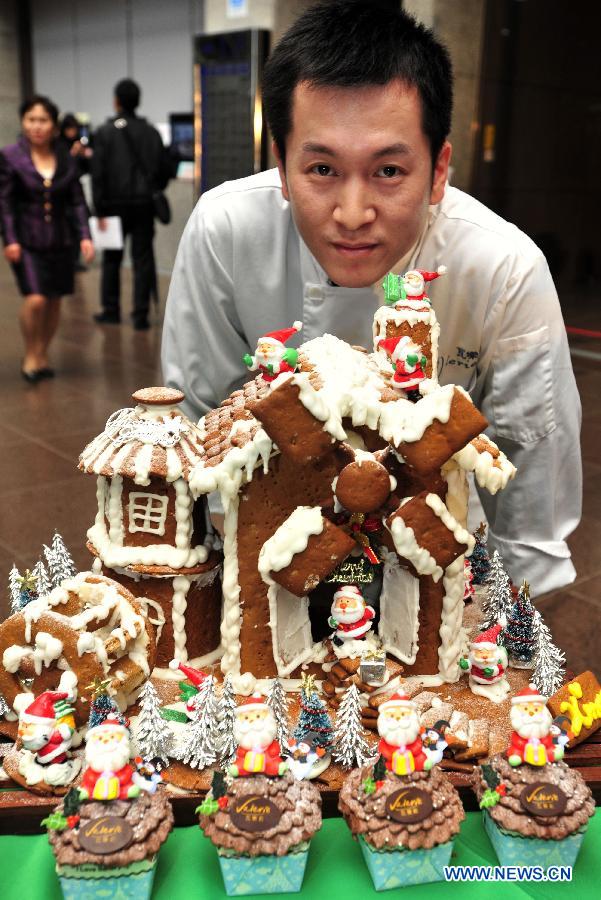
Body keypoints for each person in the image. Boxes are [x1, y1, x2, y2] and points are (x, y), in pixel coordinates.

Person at [161, 0, 581, 597]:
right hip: (270, 559)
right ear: (280, 164)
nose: (352, 215)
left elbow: (532, 485)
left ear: (438, 171)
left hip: (440, 565)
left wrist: (506, 656)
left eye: (388, 172)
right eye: (322, 169)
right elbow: (197, 428)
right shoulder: (227, 231)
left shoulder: (502, 269)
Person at [0, 95, 94, 381]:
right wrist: (11, 240)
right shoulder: (10, 156)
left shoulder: (65, 157)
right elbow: (4, 202)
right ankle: (31, 352)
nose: (36, 126)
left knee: (54, 300)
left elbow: (77, 200)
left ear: (52, 125)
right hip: (27, 241)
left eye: (43, 120)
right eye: (31, 120)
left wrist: (85, 236)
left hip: (61, 240)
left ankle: (43, 351)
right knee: (36, 299)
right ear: (23, 122)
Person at [91, 78, 172, 330]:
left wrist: (98, 208)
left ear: (116, 101)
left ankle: (111, 310)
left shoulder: (104, 133)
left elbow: (98, 173)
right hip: (143, 205)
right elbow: (163, 169)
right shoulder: (151, 132)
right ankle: (140, 315)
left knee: (112, 258)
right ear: (138, 101)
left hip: (112, 206)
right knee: (143, 259)